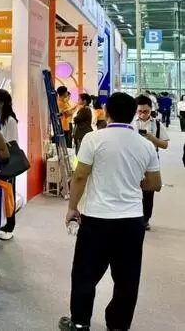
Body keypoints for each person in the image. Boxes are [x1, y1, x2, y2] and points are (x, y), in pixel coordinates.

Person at [59, 92, 161, 331]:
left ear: (107, 111)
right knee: (127, 278)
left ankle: (80, 322)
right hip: (131, 220)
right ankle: (118, 325)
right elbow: (154, 184)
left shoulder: (93, 139)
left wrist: (72, 208)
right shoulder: (145, 145)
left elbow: (80, 175)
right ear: (134, 114)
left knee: (85, 273)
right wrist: (131, 181)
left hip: (97, 218)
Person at [132, 94, 169, 231]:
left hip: (151, 160)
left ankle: (145, 219)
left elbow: (165, 145)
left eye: (146, 111)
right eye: (140, 111)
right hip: (133, 159)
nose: (142, 114)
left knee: (149, 190)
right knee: (133, 189)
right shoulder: (131, 123)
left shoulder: (157, 124)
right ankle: (133, 217)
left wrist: (151, 137)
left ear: (151, 109)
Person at [0, 89, 18, 241]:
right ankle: (0, 224)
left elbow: (12, 143)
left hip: (7, 163)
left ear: (1, 102)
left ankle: (9, 226)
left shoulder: (10, 120)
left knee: (8, 194)